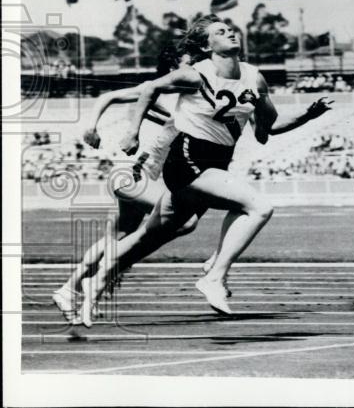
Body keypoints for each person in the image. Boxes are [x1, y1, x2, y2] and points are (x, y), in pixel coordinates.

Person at [81, 16, 332, 321]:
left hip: (217, 162)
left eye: (230, 29)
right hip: (188, 159)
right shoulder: (195, 75)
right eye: (220, 32)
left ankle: (90, 284)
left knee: (148, 237)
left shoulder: (254, 78)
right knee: (258, 207)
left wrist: (308, 115)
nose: (230, 32)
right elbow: (149, 89)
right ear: (206, 45)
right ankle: (214, 276)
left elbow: (267, 130)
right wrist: (133, 132)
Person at [51, 46, 198, 325]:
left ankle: (68, 289)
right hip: (133, 174)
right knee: (185, 220)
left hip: (138, 175)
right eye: (189, 63)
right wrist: (91, 127)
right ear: (173, 66)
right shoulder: (155, 90)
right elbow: (109, 95)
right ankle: (109, 272)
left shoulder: (188, 97)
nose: (195, 69)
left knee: (115, 237)